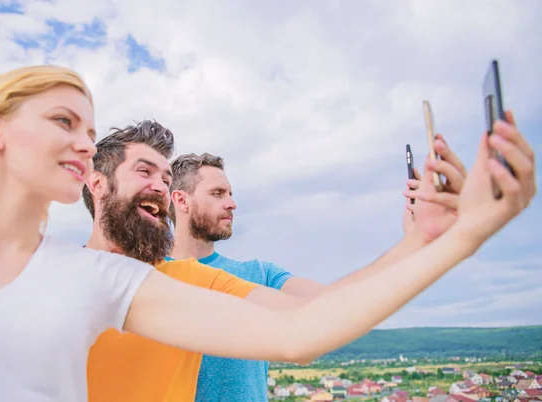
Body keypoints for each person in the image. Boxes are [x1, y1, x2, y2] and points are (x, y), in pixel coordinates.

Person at [0, 65, 535, 402]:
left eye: (87, 130)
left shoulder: (117, 283)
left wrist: (452, 237)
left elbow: (304, 327)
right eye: (63, 122)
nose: (79, 140)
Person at [83, 120, 462, 402]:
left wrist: (421, 241)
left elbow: (320, 316)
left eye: (165, 178)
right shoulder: (52, 271)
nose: (232, 203)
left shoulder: (193, 279)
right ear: (97, 183)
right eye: (218, 193)